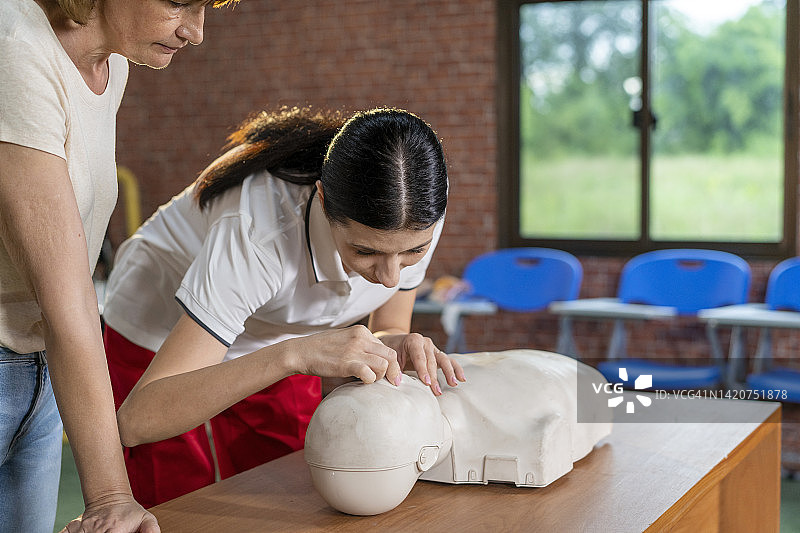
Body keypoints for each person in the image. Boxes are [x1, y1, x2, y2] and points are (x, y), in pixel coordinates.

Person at [101, 106, 466, 507]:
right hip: (159, 323)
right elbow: (138, 420)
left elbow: (389, 322)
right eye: (366, 252)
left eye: (413, 252)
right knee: (176, 494)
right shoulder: (259, 235)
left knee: (291, 485)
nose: (391, 277)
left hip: (279, 331)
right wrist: (294, 355)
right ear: (323, 201)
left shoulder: (416, 206)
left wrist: (393, 342)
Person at [0, 1, 236, 532]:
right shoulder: (15, 46)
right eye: (178, 2)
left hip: (41, 365)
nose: (195, 32)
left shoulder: (113, 64)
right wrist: (109, 496)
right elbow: (65, 298)